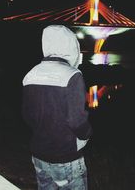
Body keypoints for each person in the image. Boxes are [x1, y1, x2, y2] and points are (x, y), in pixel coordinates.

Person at [21, 25, 92, 189]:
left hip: (39, 154)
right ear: (71, 46)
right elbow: (77, 121)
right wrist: (87, 134)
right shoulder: (72, 75)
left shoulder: (31, 74)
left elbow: (27, 115)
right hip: (66, 156)